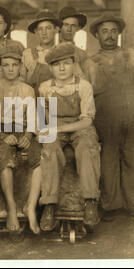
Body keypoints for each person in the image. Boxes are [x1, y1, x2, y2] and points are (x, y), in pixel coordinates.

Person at [89, 14, 134, 225]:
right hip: (106, 118)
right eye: (105, 31)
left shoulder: (132, 55)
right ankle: (111, 206)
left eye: (113, 31)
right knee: (108, 162)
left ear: (119, 34)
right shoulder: (91, 62)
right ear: (97, 35)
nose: (110, 35)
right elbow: (85, 91)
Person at [38, 42, 101, 231]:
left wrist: (57, 129)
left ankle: (90, 201)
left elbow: (87, 121)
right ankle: (50, 204)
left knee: (87, 147)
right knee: (49, 149)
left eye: (66, 63)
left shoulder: (83, 86)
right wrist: (50, 130)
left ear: (74, 63)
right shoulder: (44, 88)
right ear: (50, 68)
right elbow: (43, 120)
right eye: (57, 65)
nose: (62, 68)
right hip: (55, 127)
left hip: (80, 126)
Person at [0, 43, 42, 235]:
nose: (11, 69)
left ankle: (30, 206)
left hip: (23, 130)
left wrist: (28, 135)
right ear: (0, 67)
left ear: (21, 66)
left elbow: (32, 118)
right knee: (5, 158)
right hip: (2, 132)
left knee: (40, 158)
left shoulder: (27, 89)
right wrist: (4, 136)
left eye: (14, 64)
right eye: (6, 65)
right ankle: (12, 208)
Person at [22, 9, 85, 95]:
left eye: (48, 28)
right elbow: (20, 82)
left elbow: (80, 80)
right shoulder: (27, 54)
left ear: (56, 29)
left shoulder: (64, 53)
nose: (44, 33)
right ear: (36, 31)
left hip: (59, 102)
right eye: (40, 29)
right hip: (35, 103)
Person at [58, 6, 95, 83]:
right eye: (66, 25)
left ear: (78, 28)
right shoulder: (50, 52)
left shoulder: (83, 55)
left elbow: (88, 83)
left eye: (73, 25)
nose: (69, 29)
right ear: (59, 27)